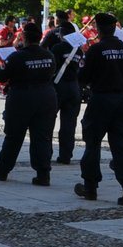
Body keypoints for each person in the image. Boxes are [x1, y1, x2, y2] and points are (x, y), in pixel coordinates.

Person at [73, 12, 123, 205]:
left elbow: (83, 77)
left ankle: (90, 187)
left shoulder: (96, 50)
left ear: (97, 28)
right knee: (122, 147)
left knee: (93, 143)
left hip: (101, 100)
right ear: (114, 28)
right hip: (122, 101)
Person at [0, 20, 57, 184]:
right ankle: (43, 173)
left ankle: (3, 168)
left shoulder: (17, 56)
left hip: (22, 97)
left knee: (14, 135)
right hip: (46, 97)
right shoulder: (49, 55)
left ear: (24, 37)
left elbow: (0, 77)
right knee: (42, 136)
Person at [41, 13, 83, 164]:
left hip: (58, 86)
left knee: (49, 121)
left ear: (61, 34)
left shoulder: (58, 48)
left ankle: (47, 153)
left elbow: (51, 67)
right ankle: (66, 155)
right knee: (69, 124)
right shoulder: (78, 50)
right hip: (74, 87)